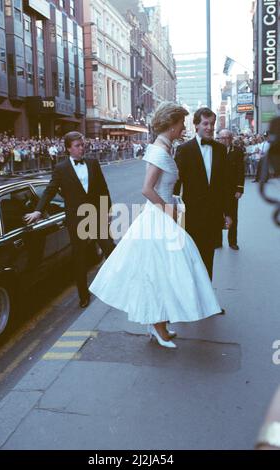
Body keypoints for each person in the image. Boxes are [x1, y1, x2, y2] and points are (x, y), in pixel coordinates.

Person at [89, 102, 223, 349]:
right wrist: (169, 210)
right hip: (159, 218)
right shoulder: (160, 151)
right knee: (161, 273)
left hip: (163, 215)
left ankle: (158, 325)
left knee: (163, 272)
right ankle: (158, 327)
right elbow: (147, 189)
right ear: (172, 125)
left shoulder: (164, 146)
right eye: (182, 123)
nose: (184, 127)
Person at [24, 131, 115, 308]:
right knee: (79, 258)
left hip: (96, 214)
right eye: (77, 146)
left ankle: (119, 286)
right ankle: (83, 295)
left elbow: (103, 189)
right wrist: (38, 211)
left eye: (82, 145)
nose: (82, 148)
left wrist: (108, 211)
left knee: (110, 249)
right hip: (76, 219)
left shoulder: (93, 163)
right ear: (68, 149)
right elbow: (50, 190)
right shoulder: (61, 168)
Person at [174, 107, 232, 281]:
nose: (209, 127)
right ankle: (194, 303)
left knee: (208, 259)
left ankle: (208, 304)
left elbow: (225, 185)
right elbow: (176, 184)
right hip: (191, 215)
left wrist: (228, 213)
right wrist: (173, 213)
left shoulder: (221, 149)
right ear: (196, 125)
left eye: (212, 124)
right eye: (205, 123)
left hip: (213, 215)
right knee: (192, 260)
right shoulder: (184, 150)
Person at [218, 129, 245, 250]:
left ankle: (232, 241)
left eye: (227, 137)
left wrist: (240, 189)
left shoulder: (237, 152)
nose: (224, 140)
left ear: (231, 138)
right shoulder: (214, 151)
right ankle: (217, 241)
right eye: (222, 138)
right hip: (217, 190)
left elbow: (241, 171)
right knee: (217, 214)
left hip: (232, 190)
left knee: (233, 215)